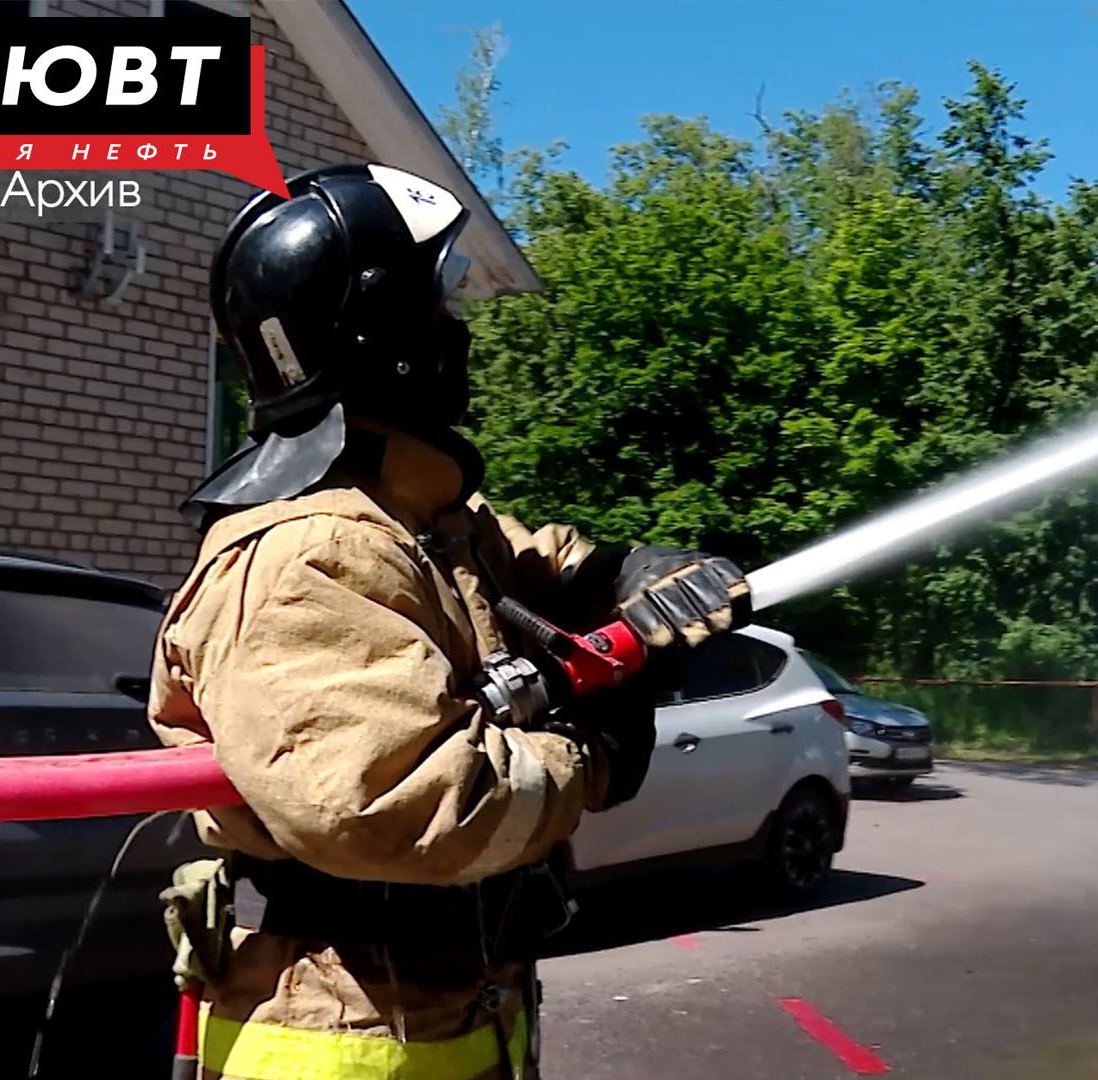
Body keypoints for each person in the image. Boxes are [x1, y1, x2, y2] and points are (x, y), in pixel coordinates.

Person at [148, 163, 750, 1080]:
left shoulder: (420, 523)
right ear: (385, 334)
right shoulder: (310, 555)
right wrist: (590, 753)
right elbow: (389, 802)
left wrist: (638, 575)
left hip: (450, 1016)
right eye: (442, 301)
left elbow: (543, 569)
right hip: (340, 1049)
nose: (459, 329)